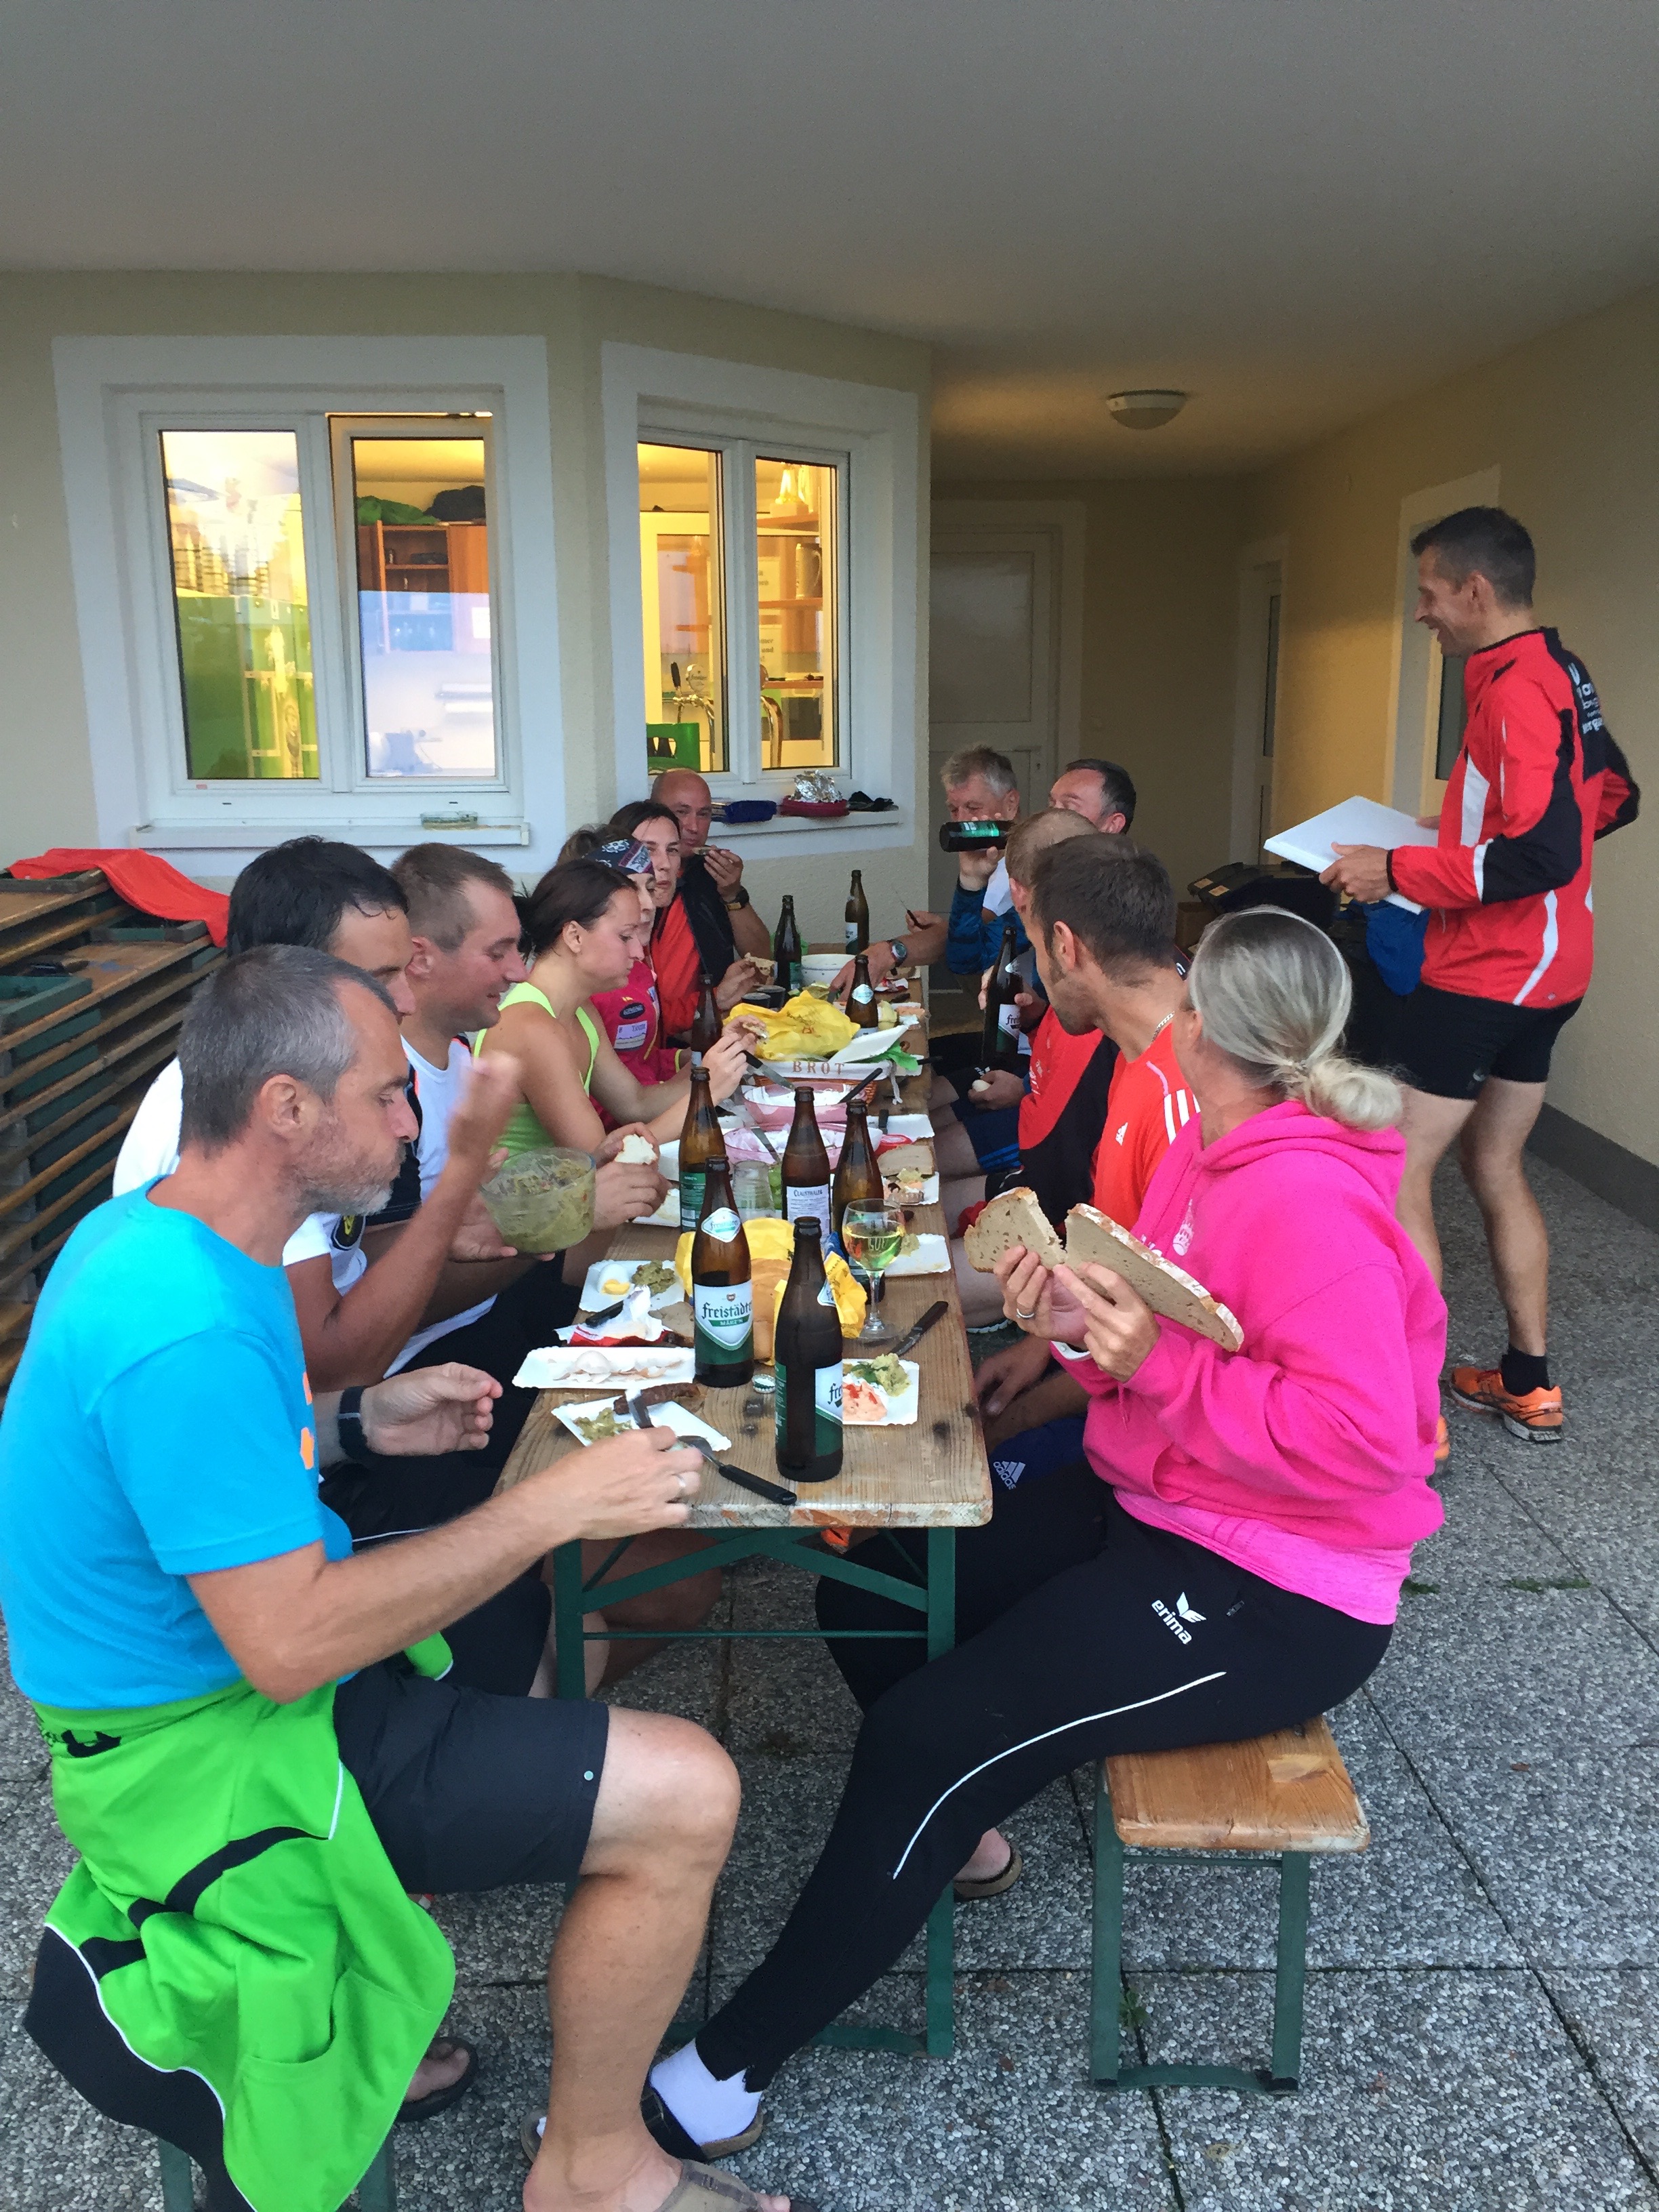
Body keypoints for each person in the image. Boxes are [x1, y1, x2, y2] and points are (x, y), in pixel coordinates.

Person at [1, 945, 804, 2212]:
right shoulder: (185, 1322)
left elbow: (199, 1476)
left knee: (558, 1600)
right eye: (385, 1094)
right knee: (688, 1787)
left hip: (218, 1692)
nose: (409, 1119)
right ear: (285, 1106)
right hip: (210, 1759)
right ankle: (595, 2167)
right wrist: (547, 1508)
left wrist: (358, 1420)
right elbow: (287, 1645)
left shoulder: (159, 1236)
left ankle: (454, 1883)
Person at [640, 908, 1445, 2153]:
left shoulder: (1304, 1196)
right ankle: (953, 1833)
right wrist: (1069, 1324)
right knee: (870, 1588)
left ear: (1205, 1030)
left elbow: (1371, 1442)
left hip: (1278, 1585)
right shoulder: (1211, 1145)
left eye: (1186, 995)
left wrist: (1150, 1366)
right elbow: (1167, 1325)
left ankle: (730, 2068)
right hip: (1158, 1495)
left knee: (922, 1738)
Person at [114, 838, 663, 1395]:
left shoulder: (320, 1075)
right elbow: (334, 1367)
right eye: (380, 977)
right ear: (285, 979)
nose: (406, 999)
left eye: (405, 969)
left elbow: (364, 1251)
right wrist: (523, 1214)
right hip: (358, 1390)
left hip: (398, 1369)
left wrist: (494, 1218)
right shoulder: (254, 1110)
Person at [1322, 506, 1638, 1443]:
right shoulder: (1561, 669)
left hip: (1488, 975)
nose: (1422, 612)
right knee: (1493, 1162)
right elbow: (1612, 798)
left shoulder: (1511, 690)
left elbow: (1542, 851)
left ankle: (1414, 1411)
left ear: (1474, 590)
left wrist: (1399, 868)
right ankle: (1529, 1383)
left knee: (1398, 1166)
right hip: (1555, 971)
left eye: (1429, 594)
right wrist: (1465, 829)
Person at [972, 833, 1191, 1441]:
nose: (1038, 972)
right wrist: (1046, 1348)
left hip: (1167, 1449)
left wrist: (1014, 1421)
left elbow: (1174, 1336)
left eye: (1038, 947)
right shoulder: (1140, 1048)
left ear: (1065, 947)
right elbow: (1121, 1279)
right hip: (1108, 1376)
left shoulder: (1186, 1099)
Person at [933, 811, 1112, 1327]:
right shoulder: (1086, 975)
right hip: (1048, 1187)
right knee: (910, 1207)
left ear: (1020, 893)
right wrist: (1034, 1023)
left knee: (908, 1277)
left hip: (1072, 1230)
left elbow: (1057, 1175)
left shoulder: (1102, 1010)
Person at [650, 769, 771, 1033]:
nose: (694, 827)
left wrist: (733, 894)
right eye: (682, 812)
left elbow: (762, 958)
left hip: (707, 1024)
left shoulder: (710, 873)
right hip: (651, 1029)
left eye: (703, 814)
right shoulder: (633, 882)